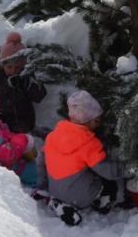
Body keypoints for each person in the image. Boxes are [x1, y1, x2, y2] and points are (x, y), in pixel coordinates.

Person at [42, 90, 124, 226]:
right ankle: (102, 203)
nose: (99, 123)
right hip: (80, 196)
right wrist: (134, 168)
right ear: (89, 121)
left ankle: (58, 203)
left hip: (55, 189)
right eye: (97, 120)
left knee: (79, 169)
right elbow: (109, 172)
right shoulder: (88, 143)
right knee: (109, 183)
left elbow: (41, 160)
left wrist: (42, 184)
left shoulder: (53, 135)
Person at [0, 32, 46, 134]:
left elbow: (39, 96)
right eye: (9, 67)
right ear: (2, 64)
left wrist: (28, 82)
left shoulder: (26, 76)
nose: (13, 71)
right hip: (2, 125)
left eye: (17, 67)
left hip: (24, 123)